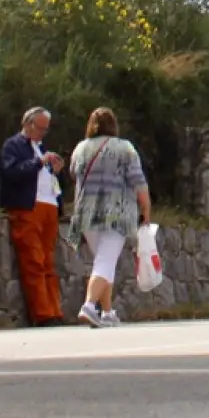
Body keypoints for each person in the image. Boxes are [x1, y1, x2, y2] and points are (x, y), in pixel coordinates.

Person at [66, 106, 151, 328]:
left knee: (104, 261)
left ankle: (107, 312)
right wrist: (146, 208)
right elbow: (138, 181)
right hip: (116, 213)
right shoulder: (125, 148)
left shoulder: (80, 148)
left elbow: (74, 174)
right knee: (105, 261)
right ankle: (88, 305)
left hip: (86, 214)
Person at [0, 106, 67, 327]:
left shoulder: (40, 148)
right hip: (27, 208)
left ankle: (55, 311)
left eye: (46, 130)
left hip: (49, 207)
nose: (42, 133)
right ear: (27, 124)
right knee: (33, 261)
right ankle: (43, 313)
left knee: (48, 262)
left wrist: (55, 170)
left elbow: (50, 180)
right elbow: (11, 172)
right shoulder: (13, 145)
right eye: (40, 128)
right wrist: (39, 162)